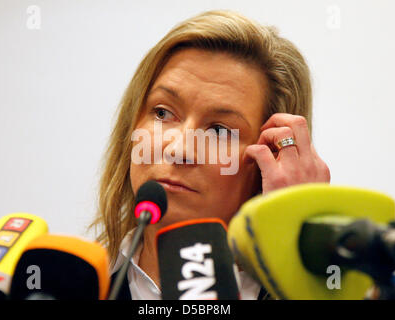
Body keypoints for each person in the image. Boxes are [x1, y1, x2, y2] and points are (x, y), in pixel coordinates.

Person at [88, 9, 330, 300]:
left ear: (271, 155)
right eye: (163, 112)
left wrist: (298, 235)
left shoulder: (317, 289)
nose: (178, 150)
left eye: (219, 131)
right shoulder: (75, 284)